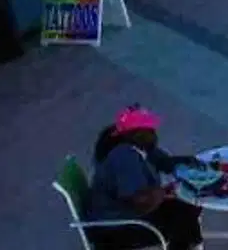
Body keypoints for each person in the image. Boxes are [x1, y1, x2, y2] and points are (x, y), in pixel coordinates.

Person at [84, 106, 205, 250]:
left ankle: (187, 244)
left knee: (187, 208)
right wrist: (164, 192)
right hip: (116, 228)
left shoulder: (142, 147)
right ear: (135, 134)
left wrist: (188, 162)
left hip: (130, 215)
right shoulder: (124, 156)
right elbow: (139, 201)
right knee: (182, 216)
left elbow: (165, 163)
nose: (154, 133)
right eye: (149, 130)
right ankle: (186, 244)